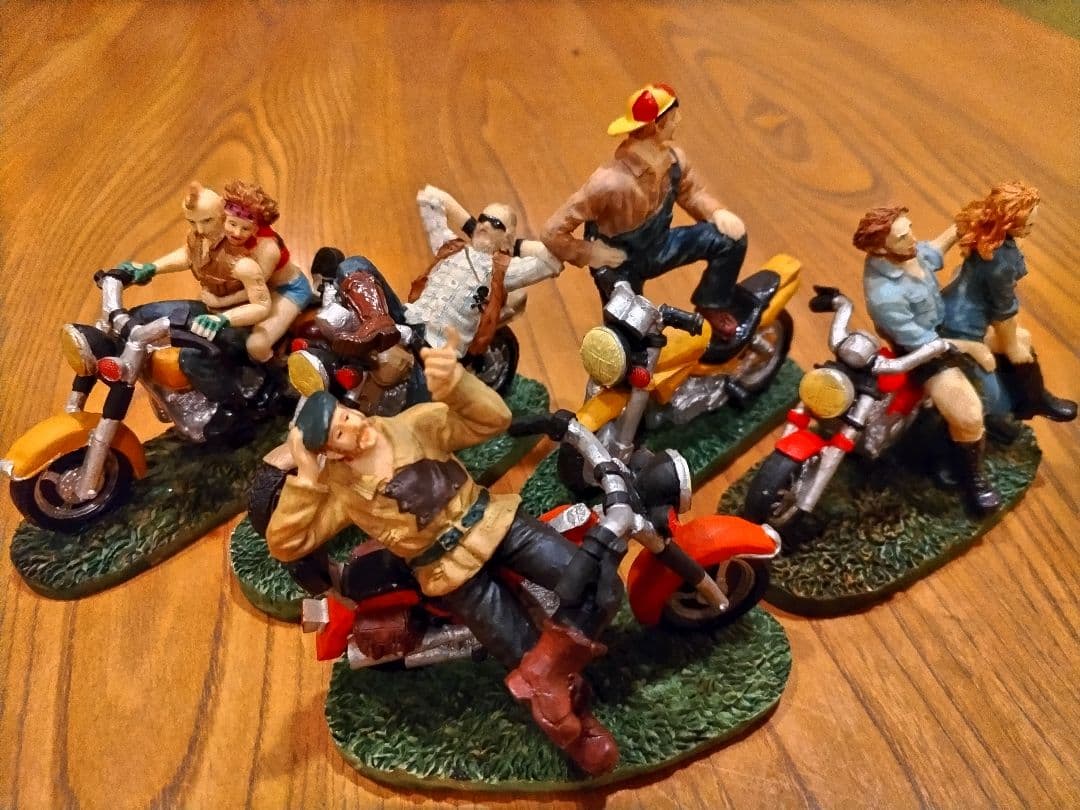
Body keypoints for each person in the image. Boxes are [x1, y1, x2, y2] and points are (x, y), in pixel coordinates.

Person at [264, 329, 621, 776]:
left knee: (601, 585)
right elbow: (286, 543)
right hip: (450, 571)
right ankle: (578, 724)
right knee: (520, 650)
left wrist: (456, 384)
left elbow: (494, 421)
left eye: (347, 415)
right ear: (331, 452)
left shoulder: (413, 425)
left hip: (496, 524)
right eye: (340, 432)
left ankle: (549, 665)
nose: (354, 426)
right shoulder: (343, 491)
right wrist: (306, 479)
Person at [541, 82, 747, 345]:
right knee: (631, 336)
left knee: (730, 240)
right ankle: (625, 350)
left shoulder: (674, 161)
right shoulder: (609, 183)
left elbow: (692, 193)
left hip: (659, 247)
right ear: (657, 125)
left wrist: (716, 213)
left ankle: (712, 302)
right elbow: (552, 232)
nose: (678, 121)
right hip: (619, 265)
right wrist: (590, 253)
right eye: (673, 117)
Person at [856, 205, 1001, 513]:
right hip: (921, 352)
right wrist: (972, 347)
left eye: (909, 229)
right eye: (902, 236)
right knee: (968, 415)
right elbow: (926, 345)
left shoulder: (907, 253)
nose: (912, 238)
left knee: (1013, 338)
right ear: (879, 248)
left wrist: (962, 225)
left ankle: (1018, 403)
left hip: (942, 325)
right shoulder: (884, 295)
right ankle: (971, 477)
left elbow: (933, 250)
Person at [115, 180, 314, 363]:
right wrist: (152, 267)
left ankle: (277, 372)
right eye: (232, 223)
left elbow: (254, 290)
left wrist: (219, 302)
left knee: (256, 345)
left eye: (245, 228)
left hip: (285, 290)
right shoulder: (220, 231)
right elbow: (190, 254)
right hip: (253, 287)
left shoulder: (267, 249)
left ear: (255, 227)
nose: (200, 230)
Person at [940, 182, 1075, 436]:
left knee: (1023, 340)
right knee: (995, 381)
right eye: (1028, 225)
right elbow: (1004, 312)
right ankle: (1001, 415)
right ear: (1009, 222)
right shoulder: (998, 261)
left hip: (961, 313)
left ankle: (1035, 398)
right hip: (960, 327)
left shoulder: (994, 239)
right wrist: (1011, 347)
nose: (1031, 230)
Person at [405, 185, 562, 358]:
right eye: (483, 218)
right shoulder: (451, 247)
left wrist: (512, 245)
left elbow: (553, 258)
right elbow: (430, 198)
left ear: (507, 237)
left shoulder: (502, 270)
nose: (486, 224)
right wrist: (472, 226)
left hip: (436, 345)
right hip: (406, 321)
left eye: (496, 224)